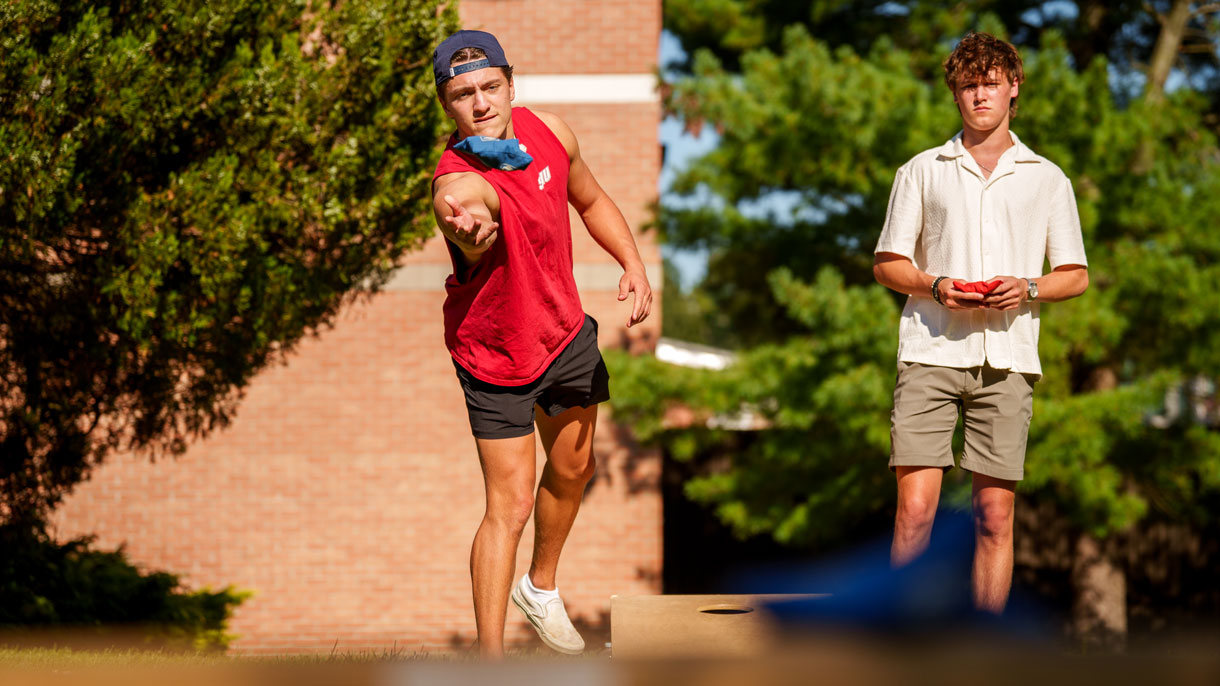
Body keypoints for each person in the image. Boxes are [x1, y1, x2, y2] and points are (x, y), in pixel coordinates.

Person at [429, 30, 652, 657]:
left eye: (489, 88)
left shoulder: (550, 131)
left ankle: (541, 586)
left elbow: (590, 197)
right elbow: (470, 216)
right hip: (494, 353)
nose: (479, 104)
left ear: (510, 83)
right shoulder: (456, 182)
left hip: (562, 333)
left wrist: (632, 263)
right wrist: (469, 228)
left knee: (575, 467)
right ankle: (492, 661)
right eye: (462, 94)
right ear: (447, 104)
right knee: (511, 505)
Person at [872, 32, 1088, 613]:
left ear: (1013, 88)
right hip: (930, 353)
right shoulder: (921, 170)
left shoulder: (1047, 177)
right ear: (955, 94)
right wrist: (937, 285)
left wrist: (1030, 286)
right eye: (969, 86)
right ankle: (903, 646)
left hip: (1010, 360)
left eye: (990, 84)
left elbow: (1075, 274)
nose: (979, 96)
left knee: (994, 518)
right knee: (915, 512)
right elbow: (888, 264)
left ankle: (984, 656)